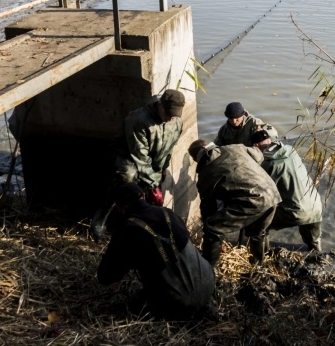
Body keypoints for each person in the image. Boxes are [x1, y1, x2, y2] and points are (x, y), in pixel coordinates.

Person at [97, 182, 215, 320]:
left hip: (179, 302)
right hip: (209, 284)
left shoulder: (128, 229)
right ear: (143, 196)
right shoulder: (168, 213)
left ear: (120, 208)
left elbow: (105, 276)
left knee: (135, 304)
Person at [91, 89, 185, 240]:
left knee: (154, 186)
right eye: (168, 114)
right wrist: (153, 183)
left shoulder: (176, 122)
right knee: (127, 177)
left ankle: (143, 224)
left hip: (154, 158)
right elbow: (139, 156)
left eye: (174, 116)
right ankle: (100, 219)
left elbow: (169, 149)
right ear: (160, 105)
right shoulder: (138, 120)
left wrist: (162, 170)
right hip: (127, 154)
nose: (170, 119)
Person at [188, 138, 281, 266]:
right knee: (257, 232)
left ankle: (209, 269)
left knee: (212, 228)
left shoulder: (205, 174)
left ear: (197, 158)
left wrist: (215, 239)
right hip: (272, 193)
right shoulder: (236, 147)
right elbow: (259, 156)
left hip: (254, 200)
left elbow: (208, 209)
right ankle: (258, 267)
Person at [250, 129, 323, 251]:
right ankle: (318, 255)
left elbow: (262, 193)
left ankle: (263, 256)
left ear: (256, 146)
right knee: (313, 242)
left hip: (296, 211)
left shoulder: (267, 164)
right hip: (316, 205)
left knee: (259, 222)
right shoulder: (291, 150)